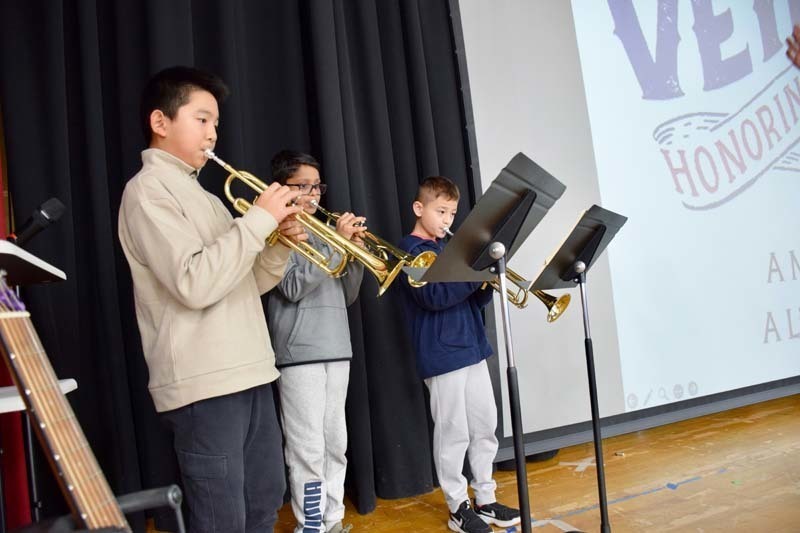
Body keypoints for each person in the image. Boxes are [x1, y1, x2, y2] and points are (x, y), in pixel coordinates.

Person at [118, 66, 305, 532]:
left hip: (250, 370)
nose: (213, 134)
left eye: (216, 124)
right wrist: (259, 222)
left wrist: (278, 244)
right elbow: (195, 283)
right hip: (204, 382)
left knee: (264, 501)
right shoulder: (146, 192)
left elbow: (243, 284)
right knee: (222, 517)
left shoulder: (207, 197)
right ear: (161, 123)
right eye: (202, 120)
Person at [397, 177, 521, 533]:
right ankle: (457, 506)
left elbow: (470, 300)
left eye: (452, 213)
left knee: (485, 427)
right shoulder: (411, 250)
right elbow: (432, 299)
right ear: (419, 209)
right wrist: (472, 273)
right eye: (440, 211)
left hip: (471, 347)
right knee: (453, 433)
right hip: (441, 354)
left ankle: (485, 498)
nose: (447, 220)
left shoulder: (449, 251)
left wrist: (485, 282)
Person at [267, 150, 365, 533]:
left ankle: (333, 520)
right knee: (306, 447)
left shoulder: (326, 235)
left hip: (337, 347)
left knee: (335, 442)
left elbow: (348, 295)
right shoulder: (281, 230)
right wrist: (336, 245)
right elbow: (291, 287)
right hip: (298, 353)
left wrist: (353, 255)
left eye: (316, 186)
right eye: (303, 185)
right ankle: (310, 525)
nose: (313, 194)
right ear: (283, 187)